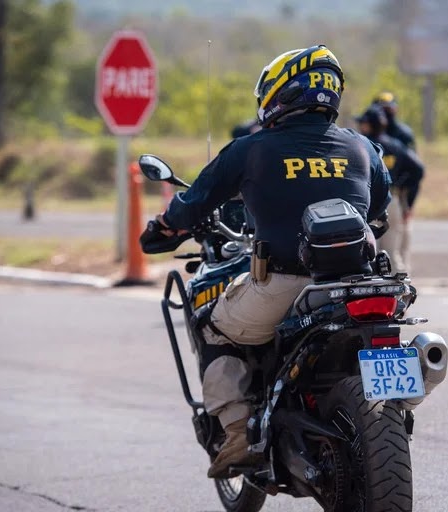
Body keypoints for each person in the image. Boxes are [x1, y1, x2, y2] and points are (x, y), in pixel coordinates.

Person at [150, 45, 391, 478]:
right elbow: (380, 205)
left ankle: (239, 431)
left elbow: (191, 205)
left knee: (212, 323)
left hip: (284, 286)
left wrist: (165, 227)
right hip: (360, 283)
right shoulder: (363, 147)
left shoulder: (251, 149)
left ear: (280, 92)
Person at [355, 105, 423, 274]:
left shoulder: (362, 146)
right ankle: (400, 290)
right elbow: (418, 169)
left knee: (368, 253)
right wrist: (399, 183)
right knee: (392, 253)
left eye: (362, 123)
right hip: (392, 200)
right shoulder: (395, 145)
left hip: (370, 203)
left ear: (368, 125)